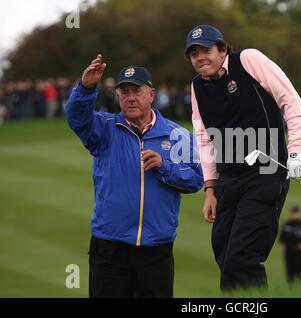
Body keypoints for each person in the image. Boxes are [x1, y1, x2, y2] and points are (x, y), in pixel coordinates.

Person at [66, 54, 203, 298]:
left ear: (151, 94)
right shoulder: (105, 128)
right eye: (124, 92)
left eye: (136, 91)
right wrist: (86, 88)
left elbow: (195, 180)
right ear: (118, 96)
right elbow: (76, 118)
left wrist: (165, 166)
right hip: (109, 247)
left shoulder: (176, 134)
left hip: (156, 250)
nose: (130, 97)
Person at [185, 25, 301, 291]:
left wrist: (296, 150)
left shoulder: (249, 60)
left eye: (205, 50)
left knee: (243, 257)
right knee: (225, 254)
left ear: (222, 48)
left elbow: (291, 101)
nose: (200, 58)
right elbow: (205, 138)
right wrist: (210, 189)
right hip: (228, 178)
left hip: (266, 170)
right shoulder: (197, 87)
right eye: (193, 54)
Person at [280, 205, 301, 283]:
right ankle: (291, 289)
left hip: (300, 252)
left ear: (298, 213)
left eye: (296, 213)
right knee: (290, 272)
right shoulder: (287, 224)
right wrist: (282, 244)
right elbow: (281, 237)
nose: (294, 215)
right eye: (293, 213)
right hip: (289, 251)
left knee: (300, 272)